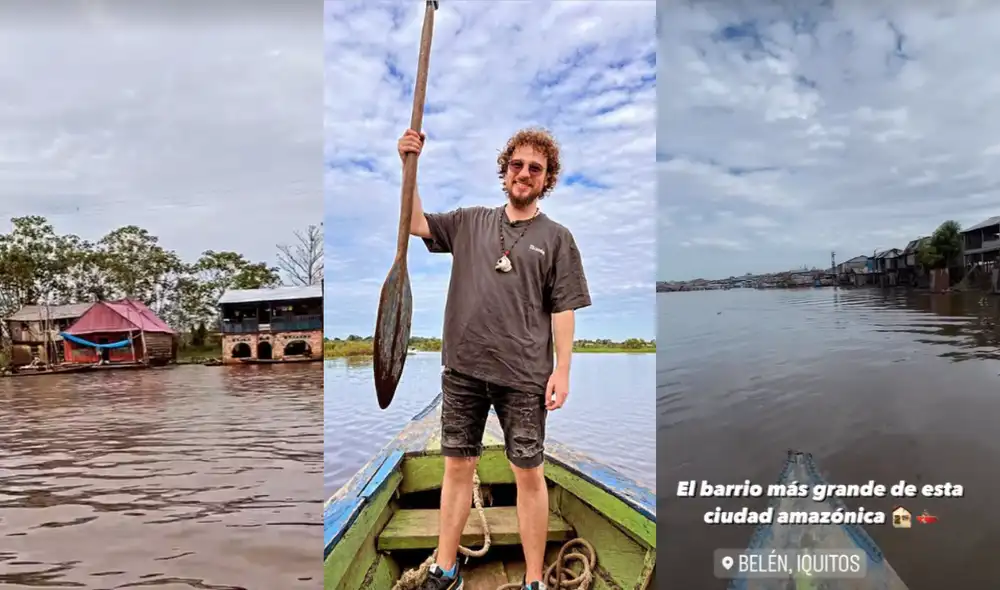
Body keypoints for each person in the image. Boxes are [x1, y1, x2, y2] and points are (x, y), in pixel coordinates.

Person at [398, 126, 591, 590]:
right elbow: (414, 222)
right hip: (463, 369)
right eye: (517, 165)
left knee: (528, 472)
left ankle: (531, 580)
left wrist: (562, 371)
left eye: (536, 169)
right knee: (457, 467)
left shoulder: (558, 238)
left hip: (525, 375)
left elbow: (563, 309)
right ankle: (445, 568)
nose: (524, 174)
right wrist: (410, 164)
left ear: (547, 180)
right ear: (504, 172)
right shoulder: (469, 221)